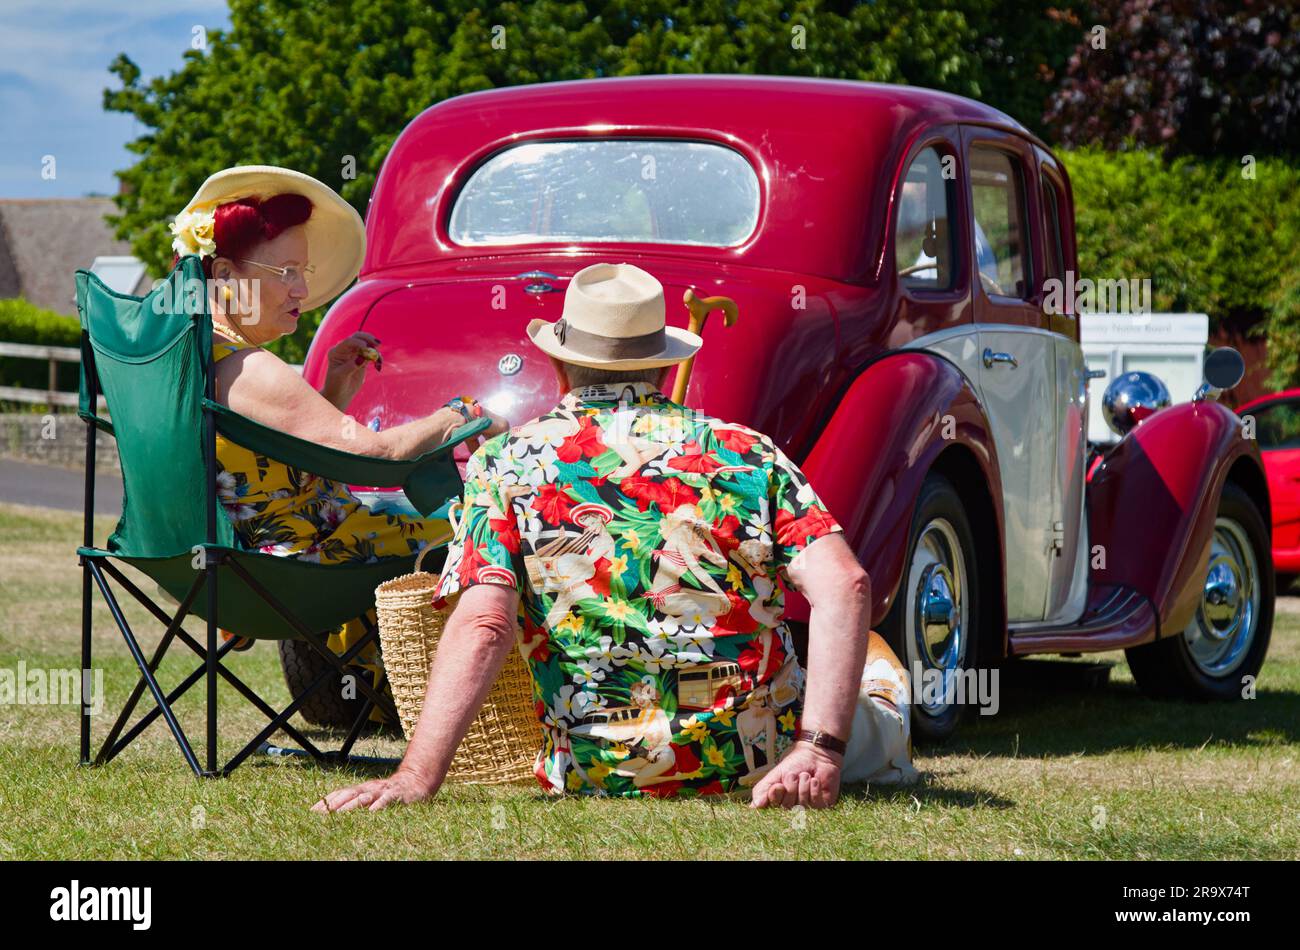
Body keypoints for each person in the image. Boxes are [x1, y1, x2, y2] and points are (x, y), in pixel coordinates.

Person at [313, 262, 915, 813]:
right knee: (884, 684)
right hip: (757, 759)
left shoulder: (506, 463)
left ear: (557, 362)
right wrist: (820, 750)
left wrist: (414, 777)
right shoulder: (745, 451)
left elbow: (486, 624)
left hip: (596, 769)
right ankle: (871, 707)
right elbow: (846, 583)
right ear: (662, 364)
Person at [167, 166, 509, 570]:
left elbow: (272, 465)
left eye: (303, 272)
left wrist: (334, 392)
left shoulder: (194, 359)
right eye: (287, 272)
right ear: (224, 274)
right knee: (490, 533)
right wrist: (464, 412)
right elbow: (379, 457)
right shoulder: (247, 369)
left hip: (241, 566)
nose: (303, 291)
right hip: (313, 563)